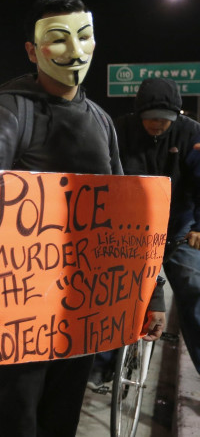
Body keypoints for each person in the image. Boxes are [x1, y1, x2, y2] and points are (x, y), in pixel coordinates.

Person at [0, 0, 166, 436]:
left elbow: (127, 220)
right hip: (20, 301)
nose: (74, 51)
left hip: (86, 300)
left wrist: (151, 293)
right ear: (32, 50)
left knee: (63, 416)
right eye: (58, 39)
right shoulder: (7, 110)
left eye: (84, 36)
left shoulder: (100, 121)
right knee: (17, 416)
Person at [88, 77, 200, 386]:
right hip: (129, 232)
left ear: (177, 116)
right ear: (139, 113)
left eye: (165, 120)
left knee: (194, 288)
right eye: (151, 117)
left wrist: (199, 227)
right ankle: (103, 366)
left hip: (178, 230)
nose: (157, 124)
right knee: (112, 293)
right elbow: (101, 175)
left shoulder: (191, 133)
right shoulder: (118, 130)